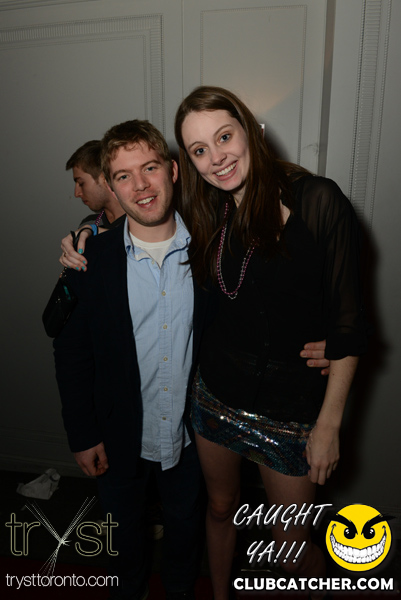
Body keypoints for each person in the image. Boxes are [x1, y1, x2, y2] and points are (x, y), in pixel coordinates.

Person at [174, 86, 368, 600]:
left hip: (290, 412)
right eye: (199, 150)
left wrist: (328, 424)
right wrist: (84, 234)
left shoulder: (317, 200)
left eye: (224, 137)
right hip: (215, 395)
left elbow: (350, 324)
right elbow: (135, 206)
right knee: (221, 508)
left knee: (292, 546)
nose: (216, 158)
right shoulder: (205, 209)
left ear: (252, 132)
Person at [53, 120, 213, 600]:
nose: (140, 185)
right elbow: (72, 352)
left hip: (192, 437)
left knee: (186, 530)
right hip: (119, 435)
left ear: (174, 170)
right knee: (122, 538)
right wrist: (82, 434)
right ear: (110, 186)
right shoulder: (91, 258)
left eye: (150, 168)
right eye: (124, 175)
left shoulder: (212, 250)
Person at [60, 140, 126, 270]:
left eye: (81, 183)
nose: (76, 193)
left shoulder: (142, 223)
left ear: (103, 178)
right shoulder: (89, 223)